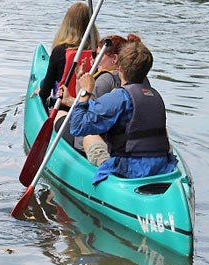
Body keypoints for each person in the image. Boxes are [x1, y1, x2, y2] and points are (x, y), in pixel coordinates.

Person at [69, 40, 178, 184]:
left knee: (89, 137)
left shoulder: (119, 97)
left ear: (119, 68)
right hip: (162, 165)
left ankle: (109, 181)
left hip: (129, 169)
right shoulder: (155, 95)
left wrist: (85, 91)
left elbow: (77, 127)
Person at [55, 34, 139, 151]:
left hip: (90, 138)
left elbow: (88, 114)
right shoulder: (132, 77)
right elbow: (88, 102)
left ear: (114, 59)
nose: (94, 59)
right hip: (120, 137)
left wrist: (69, 100)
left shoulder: (105, 80)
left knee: (59, 115)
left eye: (99, 55)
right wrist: (79, 80)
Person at [36, 2, 100, 106]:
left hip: (63, 107)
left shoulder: (59, 51)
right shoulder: (98, 51)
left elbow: (46, 90)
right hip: (90, 105)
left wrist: (40, 94)